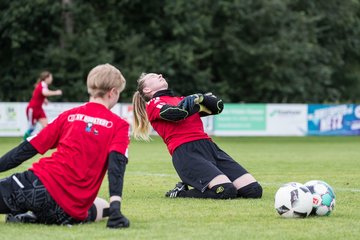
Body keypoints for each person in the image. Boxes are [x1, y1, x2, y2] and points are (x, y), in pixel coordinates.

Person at [0, 64, 130, 228]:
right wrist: (116, 211)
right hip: (69, 209)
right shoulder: (119, 126)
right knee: (103, 205)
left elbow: (26, 149)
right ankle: (33, 217)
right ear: (113, 92)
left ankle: (27, 213)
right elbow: (116, 167)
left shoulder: (68, 116)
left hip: (37, 187)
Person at [132, 73, 263, 199]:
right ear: (147, 89)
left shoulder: (182, 99)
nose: (160, 75)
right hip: (186, 153)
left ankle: (224, 187)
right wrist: (195, 101)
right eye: (153, 76)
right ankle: (180, 193)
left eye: (158, 75)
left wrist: (200, 97)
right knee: (225, 191)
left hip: (209, 148)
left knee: (254, 190)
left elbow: (217, 107)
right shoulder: (153, 104)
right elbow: (176, 113)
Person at [24, 71, 63, 139]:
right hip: (32, 109)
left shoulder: (43, 85)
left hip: (39, 109)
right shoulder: (42, 84)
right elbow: (45, 93)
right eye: (51, 77)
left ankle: (38, 140)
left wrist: (44, 100)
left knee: (46, 127)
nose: (52, 79)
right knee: (31, 128)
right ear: (46, 78)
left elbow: (40, 94)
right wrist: (56, 92)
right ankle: (24, 142)